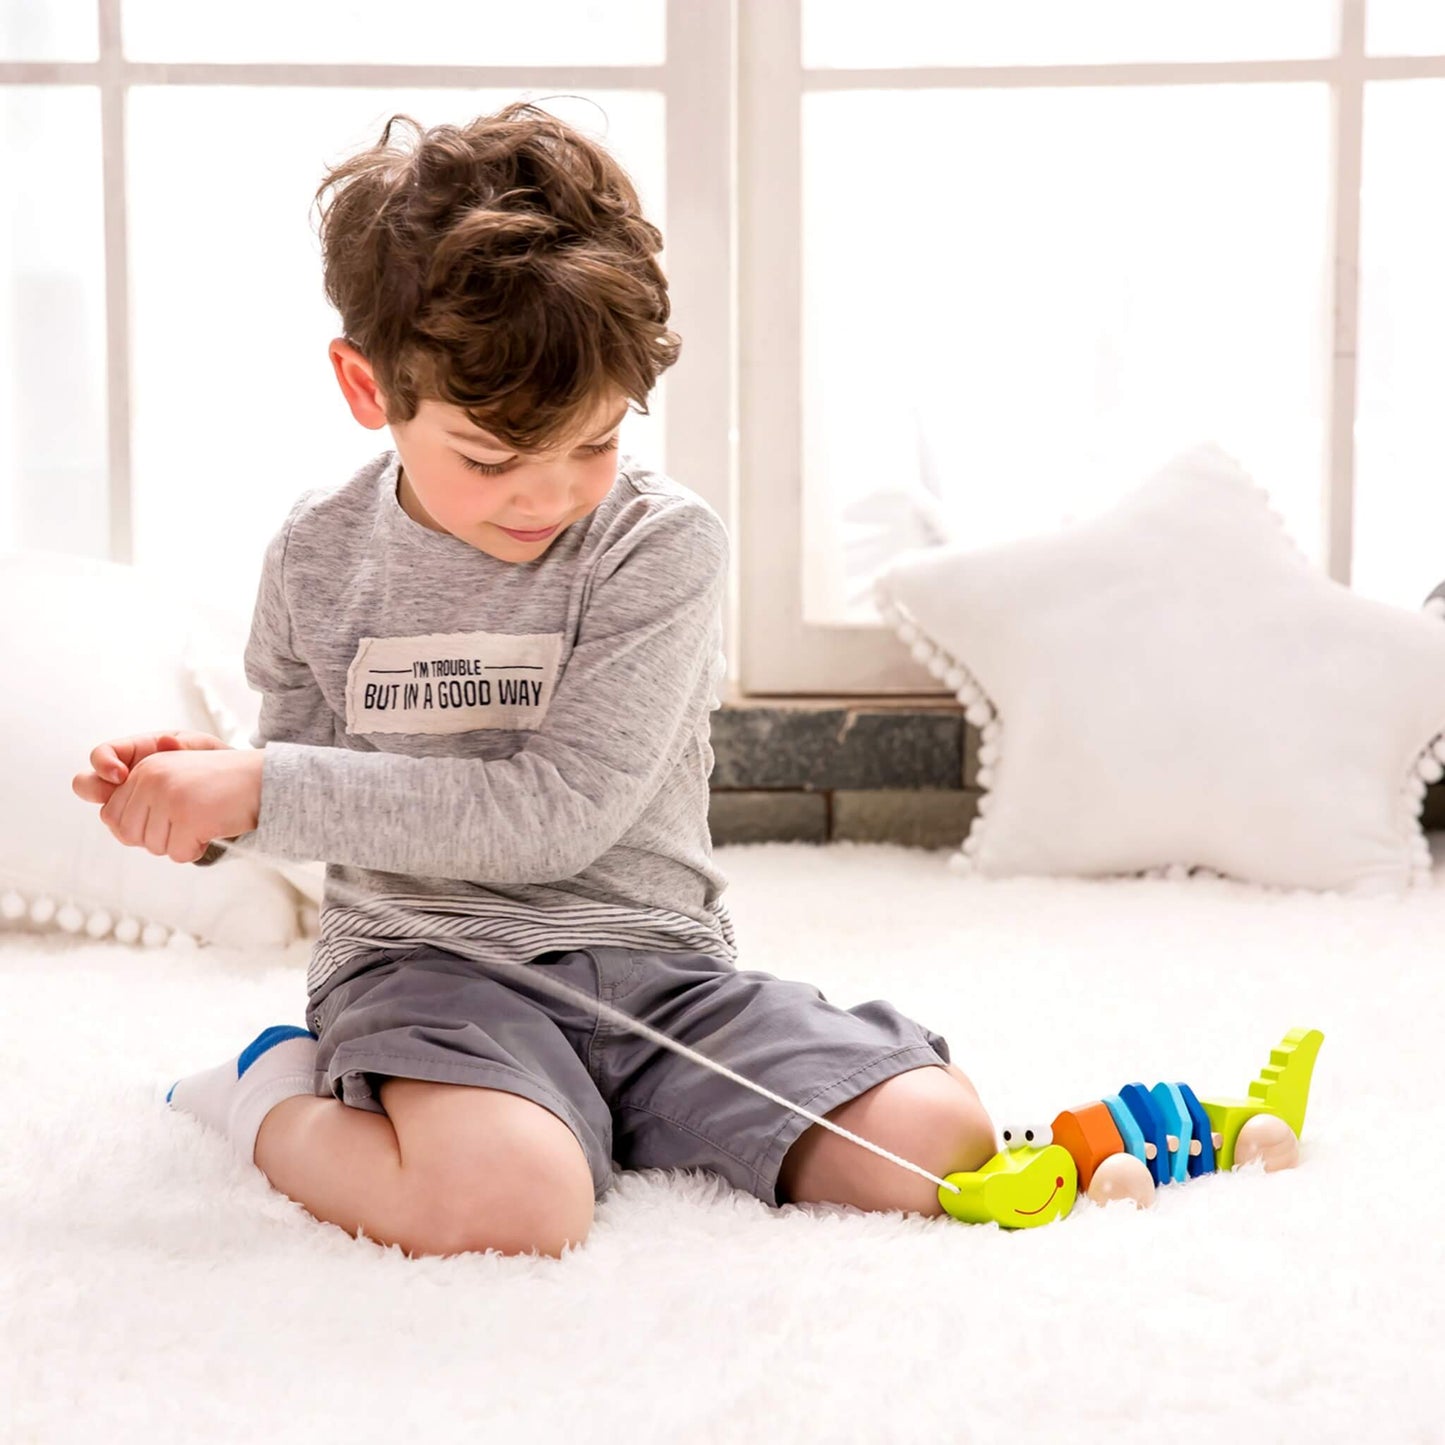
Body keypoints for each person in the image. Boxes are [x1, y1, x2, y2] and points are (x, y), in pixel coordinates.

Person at [72, 101, 995, 1260]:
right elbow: (314, 801)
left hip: (657, 974)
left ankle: (592, 1110)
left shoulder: (659, 545)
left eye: (594, 443)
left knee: (934, 1139)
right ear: (369, 389)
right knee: (512, 1207)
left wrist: (261, 785)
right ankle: (264, 1091)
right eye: (492, 458)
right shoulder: (317, 554)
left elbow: (557, 812)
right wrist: (205, 808)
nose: (549, 494)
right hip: (426, 970)